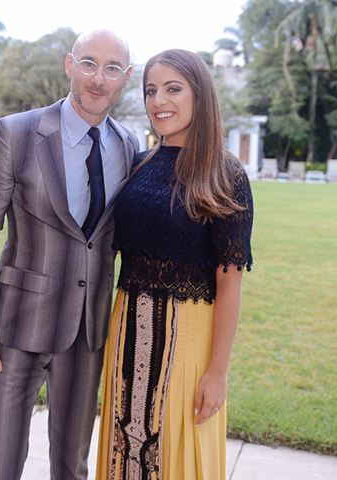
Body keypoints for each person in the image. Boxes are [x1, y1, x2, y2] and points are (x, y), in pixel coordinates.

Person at [0, 29, 139, 480]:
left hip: (88, 332)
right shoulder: (16, 133)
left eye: (112, 69)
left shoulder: (128, 145)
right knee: (0, 465)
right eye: (88, 63)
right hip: (16, 328)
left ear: (125, 78)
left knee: (71, 467)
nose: (98, 79)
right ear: (69, 65)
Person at [96, 49, 254, 480]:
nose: (158, 101)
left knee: (176, 457)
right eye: (151, 91)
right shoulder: (139, 164)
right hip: (125, 334)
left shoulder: (225, 174)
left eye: (172, 89)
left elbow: (230, 283)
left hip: (187, 345)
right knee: (123, 453)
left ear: (199, 95)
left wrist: (218, 372)